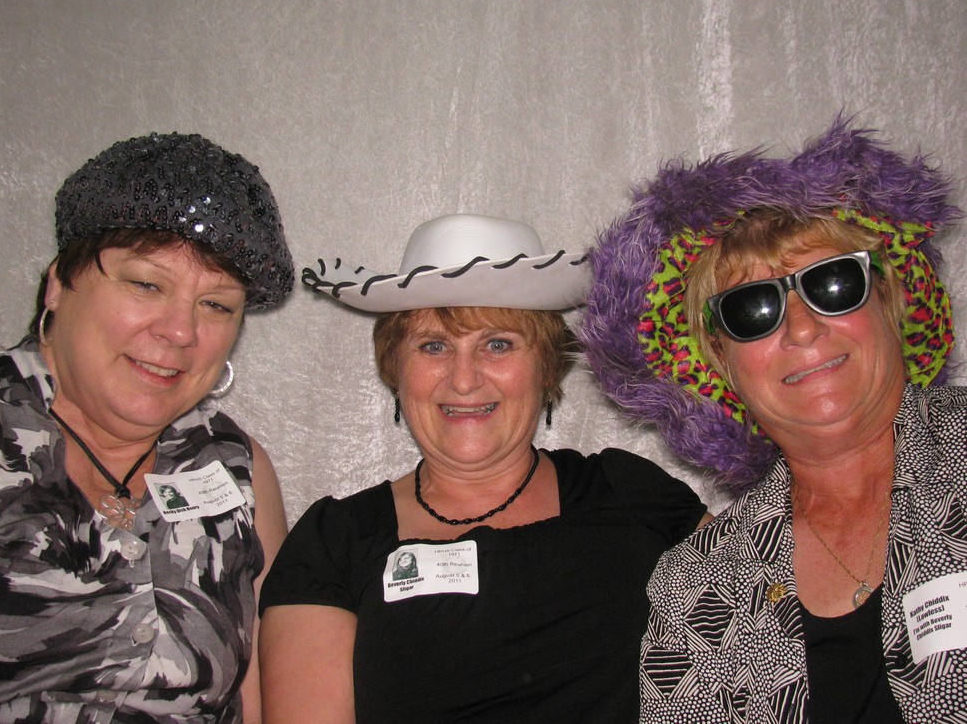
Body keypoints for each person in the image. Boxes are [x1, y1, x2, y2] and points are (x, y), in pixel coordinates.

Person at [580, 118, 967, 722]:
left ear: (891, 302)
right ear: (720, 363)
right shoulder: (696, 583)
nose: (802, 328)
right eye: (751, 309)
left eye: (833, 282)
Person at [259, 213, 709, 722]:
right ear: (395, 367)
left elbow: (759, 637)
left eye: (498, 344)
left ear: (546, 366)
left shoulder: (632, 495)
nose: (464, 380)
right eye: (434, 346)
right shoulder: (333, 544)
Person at [0, 133, 295, 721]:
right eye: (147, 284)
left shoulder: (235, 467)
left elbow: (262, 700)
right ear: (58, 283)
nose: (180, 331)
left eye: (217, 305)